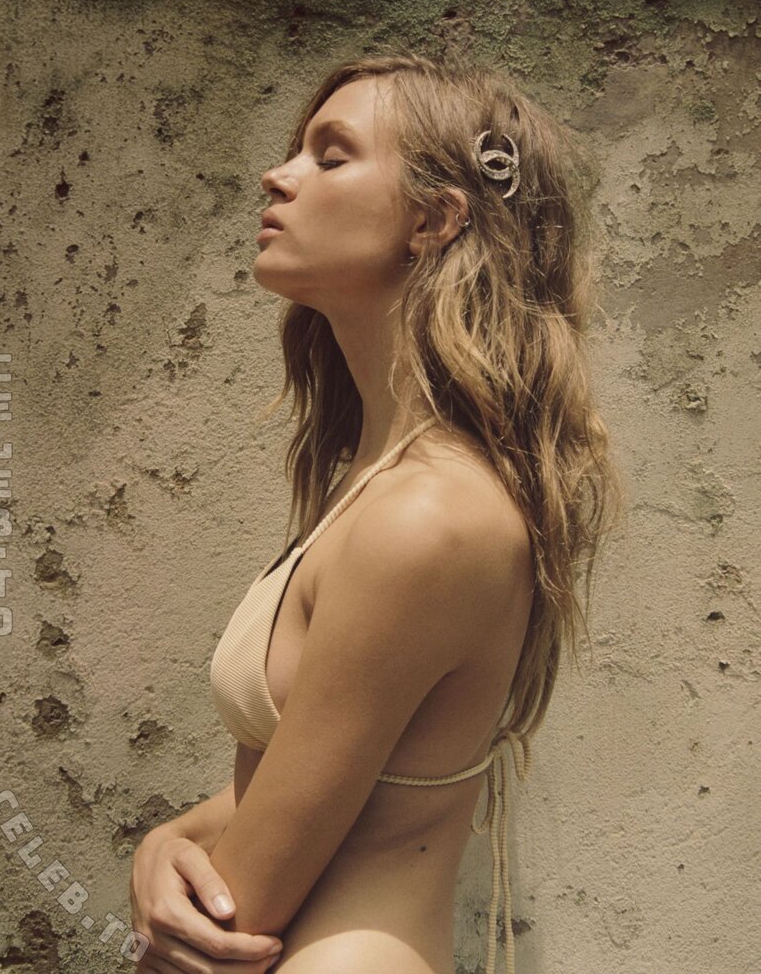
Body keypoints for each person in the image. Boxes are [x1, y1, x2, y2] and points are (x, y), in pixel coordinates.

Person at [130, 50, 623, 974]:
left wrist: (168, 903)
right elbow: (326, 775)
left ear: (433, 220)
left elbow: (236, 913)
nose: (278, 176)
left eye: (331, 155)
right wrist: (166, 843)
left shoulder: (427, 515)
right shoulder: (388, 475)